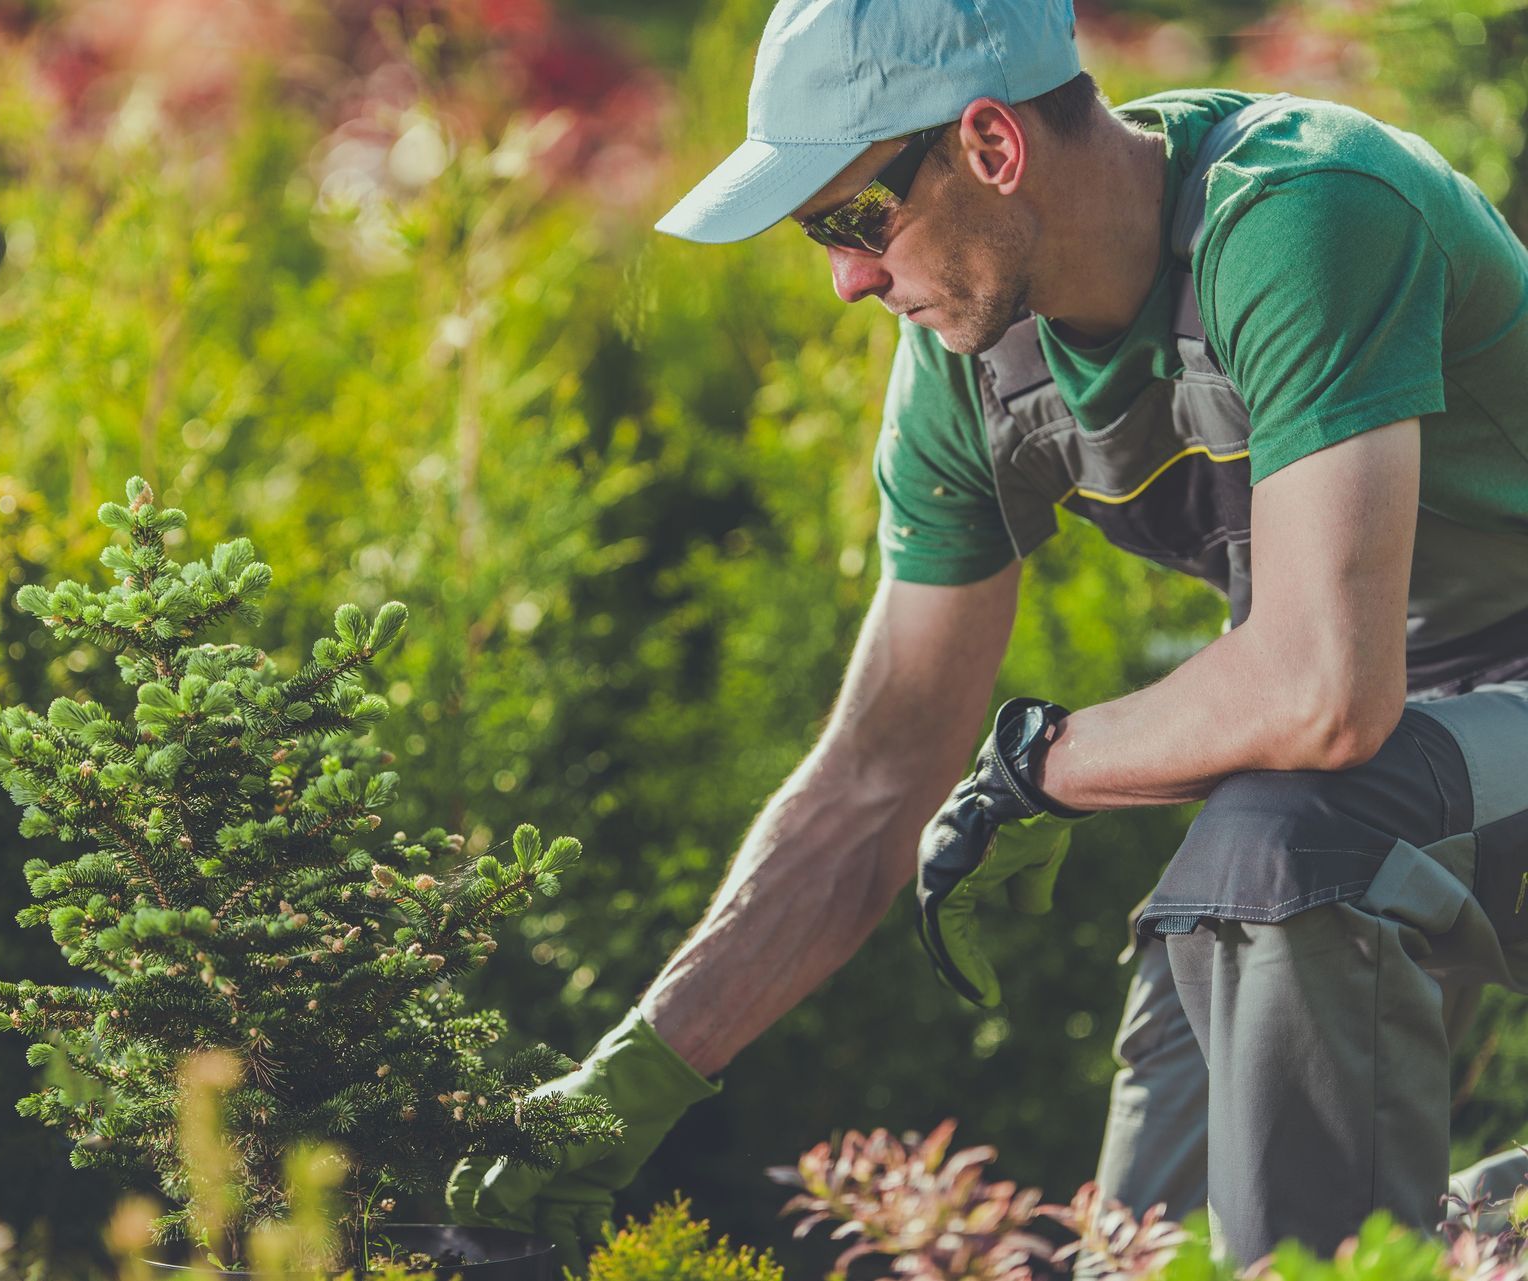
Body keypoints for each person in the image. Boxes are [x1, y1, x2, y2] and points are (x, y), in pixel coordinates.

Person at [448, 0, 1528, 1267]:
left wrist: (1038, 768)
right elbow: (875, 776)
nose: (847, 277)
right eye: (818, 237)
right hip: (1407, 754)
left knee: (1283, 843)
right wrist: (623, 1086)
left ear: (992, 147)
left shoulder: (1304, 209)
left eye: (854, 220)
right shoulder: (970, 368)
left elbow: (1322, 690)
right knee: (1160, 1164)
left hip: (1404, 734)